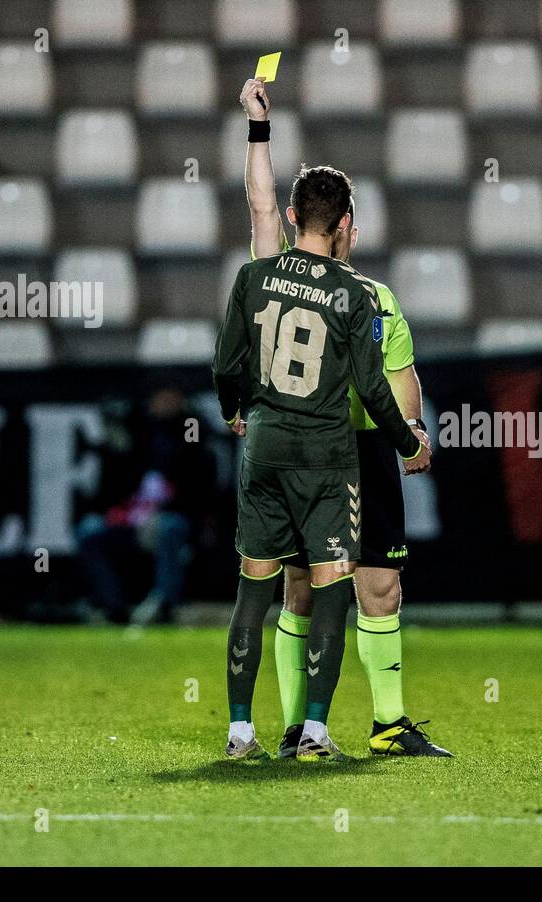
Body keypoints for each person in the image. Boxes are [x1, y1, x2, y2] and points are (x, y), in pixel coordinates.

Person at [235, 76, 451, 758]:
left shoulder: (378, 298)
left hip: (361, 449)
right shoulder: (294, 275)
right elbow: (260, 203)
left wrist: (412, 435)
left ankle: (386, 724)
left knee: (378, 586)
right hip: (318, 448)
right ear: (349, 222)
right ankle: (301, 727)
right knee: (304, 587)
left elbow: (400, 374)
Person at [75, 388, 209, 625]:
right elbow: (114, 487)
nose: (163, 404)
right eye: (159, 398)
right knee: (89, 531)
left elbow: (198, 490)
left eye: (170, 398)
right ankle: (113, 606)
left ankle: (165, 603)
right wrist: (120, 511)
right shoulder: (136, 434)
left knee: (169, 527)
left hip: (169, 519)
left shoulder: (193, 433)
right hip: (133, 520)